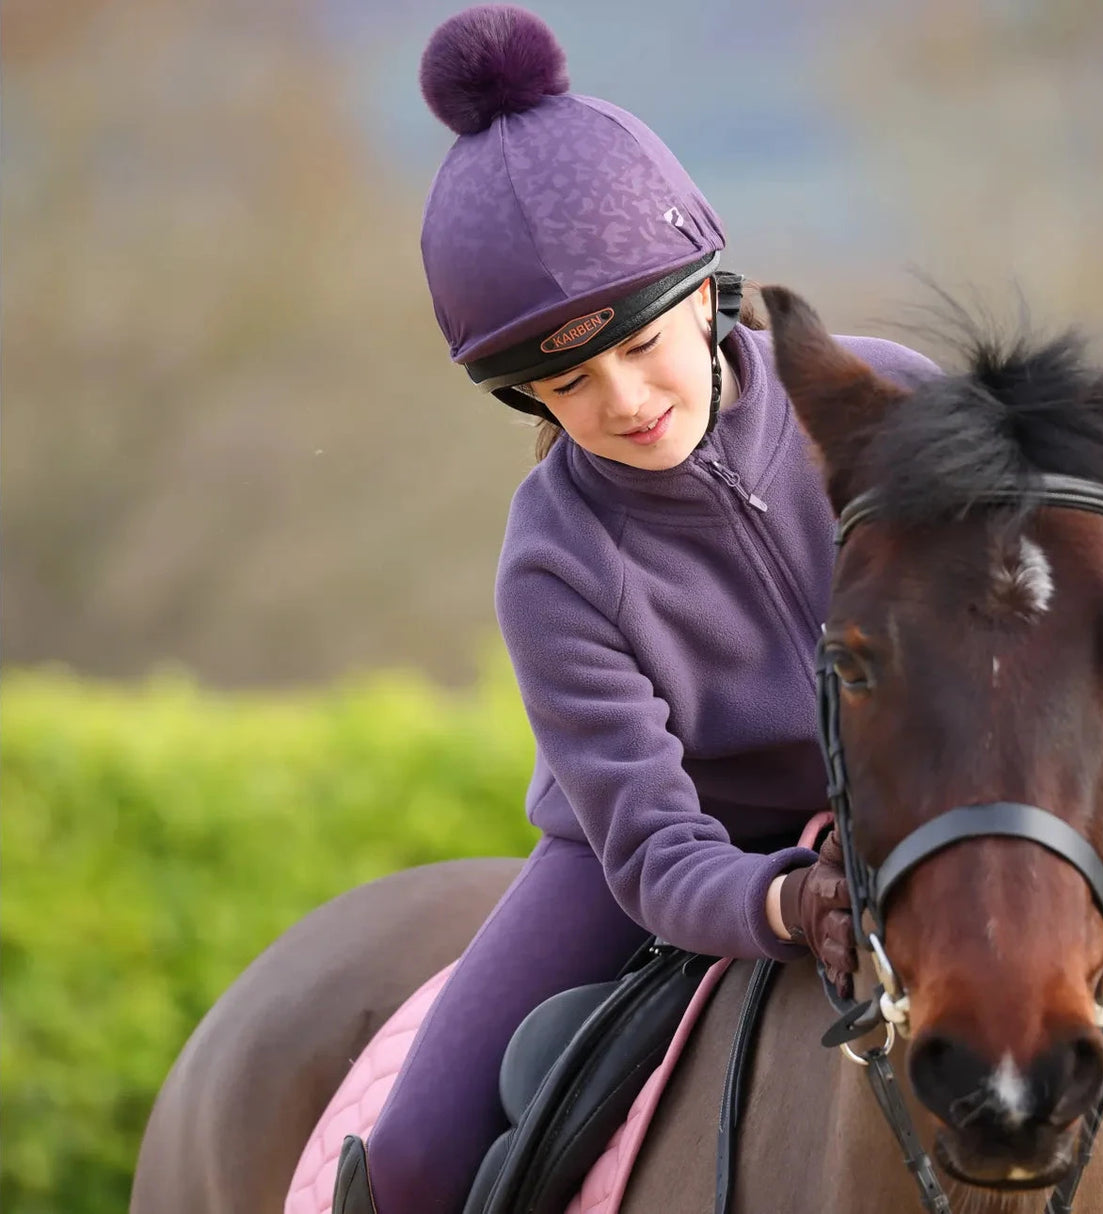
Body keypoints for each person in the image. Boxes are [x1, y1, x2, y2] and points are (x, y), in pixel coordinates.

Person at [341, 6, 939, 1211]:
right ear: (525, 400)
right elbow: (655, 848)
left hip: (914, 804)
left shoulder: (895, 404)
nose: (622, 399)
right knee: (411, 1157)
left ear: (707, 296)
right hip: (652, 856)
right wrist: (781, 898)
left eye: (640, 343)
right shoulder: (553, 560)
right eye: (566, 380)